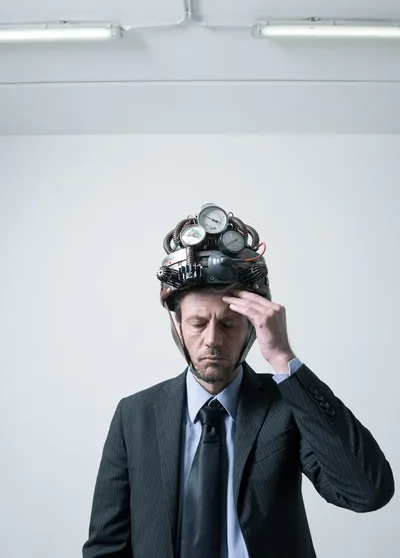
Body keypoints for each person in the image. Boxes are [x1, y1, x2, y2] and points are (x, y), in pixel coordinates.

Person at [82, 203, 395, 558]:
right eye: (198, 323)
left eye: (229, 324)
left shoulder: (286, 406)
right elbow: (106, 546)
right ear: (178, 327)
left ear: (251, 327)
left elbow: (367, 492)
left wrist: (284, 359)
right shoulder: (134, 415)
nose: (212, 339)